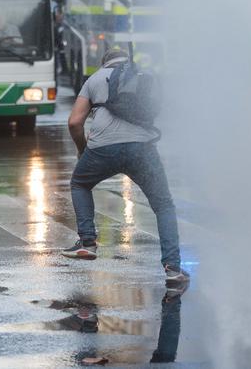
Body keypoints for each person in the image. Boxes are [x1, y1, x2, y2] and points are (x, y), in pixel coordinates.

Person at [62, 46, 189, 285]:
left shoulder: (95, 79)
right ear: (127, 61)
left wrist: (82, 150)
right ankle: (173, 268)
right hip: (143, 148)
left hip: (102, 149)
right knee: (163, 205)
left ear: (104, 62)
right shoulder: (144, 77)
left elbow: (74, 122)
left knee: (80, 183)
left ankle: (88, 242)